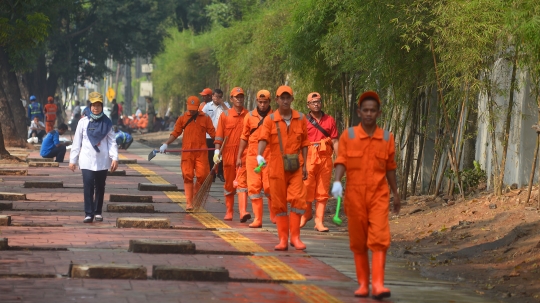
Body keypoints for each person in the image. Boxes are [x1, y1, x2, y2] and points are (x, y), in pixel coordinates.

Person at [331, 91, 400, 299]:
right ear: (359, 112)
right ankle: (363, 284)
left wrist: (396, 194)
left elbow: (390, 168)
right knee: (358, 241)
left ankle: (378, 285)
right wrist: (336, 181)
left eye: (373, 110)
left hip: (379, 196)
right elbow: (341, 160)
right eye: (365, 110)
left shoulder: (387, 138)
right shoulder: (348, 135)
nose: (369, 114)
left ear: (378, 113)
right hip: (354, 196)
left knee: (380, 239)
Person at [257, 85, 309, 251]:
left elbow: (305, 143)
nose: (285, 101)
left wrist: (306, 164)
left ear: (292, 99)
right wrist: (259, 156)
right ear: (277, 100)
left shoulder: (301, 118)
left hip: (295, 165)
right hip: (276, 166)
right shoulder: (270, 119)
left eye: (288, 98)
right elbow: (263, 139)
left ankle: (295, 237)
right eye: (282, 98)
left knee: (298, 200)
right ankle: (282, 239)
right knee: (279, 203)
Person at [69, 92, 118, 224]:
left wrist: (115, 158)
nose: (96, 108)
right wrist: (73, 159)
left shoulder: (107, 123)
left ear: (102, 106)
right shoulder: (83, 122)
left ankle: (98, 212)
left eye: (98, 105)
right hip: (86, 159)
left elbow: (112, 141)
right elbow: (77, 141)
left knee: (100, 186)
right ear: (90, 106)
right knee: (88, 185)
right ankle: (88, 213)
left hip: (102, 160)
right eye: (93, 105)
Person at [160, 96, 215, 210]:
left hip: (201, 151)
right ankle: (189, 203)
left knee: (203, 176)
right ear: (187, 106)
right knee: (187, 176)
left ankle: (196, 197)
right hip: (187, 151)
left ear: (199, 107)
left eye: (194, 108)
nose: (192, 110)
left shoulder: (205, 118)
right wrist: (166, 143)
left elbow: (213, 133)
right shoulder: (182, 118)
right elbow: (176, 133)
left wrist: (220, 144)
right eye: (190, 108)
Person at [300, 92, 339, 232]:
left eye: (318, 101)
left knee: (322, 190)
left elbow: (334, 140)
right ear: (308, 105)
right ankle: (306, 214)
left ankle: (319, 221)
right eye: (313, 102)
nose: (316, 104)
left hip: (325, 157)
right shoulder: (303, 120)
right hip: (309, 156)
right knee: (307, 187)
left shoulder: (329, 120)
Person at [237, 90, 275, 228]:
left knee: (270, 185)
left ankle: (273, 214)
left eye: (265, 102)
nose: (263, 105)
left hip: (270, 154)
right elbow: (244, 137)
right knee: (253, 187)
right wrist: (239, 155)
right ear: (256, 101)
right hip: (252, 155)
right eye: (260, 102)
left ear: (270, 102)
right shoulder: (249, 116)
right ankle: (257, 219)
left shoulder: (275, 116)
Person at [214, 87, 250, 222]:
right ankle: (229, 211)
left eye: (241, 97)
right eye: (236, 97)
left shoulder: (249, 115)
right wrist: (217, 152)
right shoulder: (225, 115)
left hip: (244, 153)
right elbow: (219, 136)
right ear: (231, 99)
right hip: (228, 153)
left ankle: (242, 212)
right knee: (229, 183)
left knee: (242, 183)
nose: (239, 99)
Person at [202, 89, 227, 182]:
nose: (217, 99)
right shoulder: (207, 106)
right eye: (216, 96)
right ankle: (211, 174)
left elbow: (230, 114)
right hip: (209, 135)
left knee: (221, 155)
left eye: (219, 97)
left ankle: (220, 172)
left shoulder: (225, 105)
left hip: (222, 135)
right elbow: (202, 118)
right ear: (212, 96)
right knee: (210, 155)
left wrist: (222, 104)